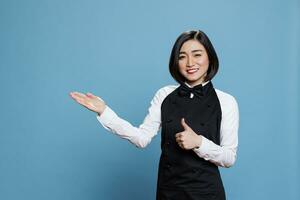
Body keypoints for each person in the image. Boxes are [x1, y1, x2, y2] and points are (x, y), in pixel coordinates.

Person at [70, 29, 239, 200]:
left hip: (207, 194)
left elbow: (229, 157)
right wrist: (104, 111)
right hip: (169, 192)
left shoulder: (226, 101)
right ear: (175, 62)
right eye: (182, 56)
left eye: (197, 55)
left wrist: (199, 142)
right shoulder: (164, 94)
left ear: (210, 57)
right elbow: (141, 138)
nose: (190, 62)